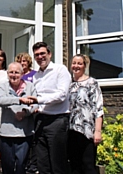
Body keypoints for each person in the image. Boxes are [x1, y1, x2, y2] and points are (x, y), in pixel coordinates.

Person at [28, 42, 71, 174]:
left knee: (58, 162)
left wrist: (39, 100)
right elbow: (34, 97)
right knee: (42, 162)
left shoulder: (60, 70)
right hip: (40, 120)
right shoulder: (35, 76)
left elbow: (62, 95)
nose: (40, 57)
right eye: (37, 55)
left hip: (57, 120)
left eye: (42, 53)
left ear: (49, 54)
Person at [0, 62, 38, 174]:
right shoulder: (3, 86)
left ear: (22, 73)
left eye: (16, 72)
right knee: (7, 166)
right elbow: (0, 101)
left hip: (24, 134)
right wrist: (19, 100)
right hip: (6, 133)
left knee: (21, 165)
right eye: (11, 72)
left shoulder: (30, 86)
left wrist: (25, 112)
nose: (14, 75)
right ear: (7, 73)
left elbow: (36, 104)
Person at [68, 54, 103, 174]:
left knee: (88, 165)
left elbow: (98, 108)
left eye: (79, 63)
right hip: (71, 130)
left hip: (87, 131)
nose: (76, 66)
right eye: (74, 63)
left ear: (84, 65)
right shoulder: (69, 84)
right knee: (74, 166)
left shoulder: (92, 82)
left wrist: (97, 131)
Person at [15, 52, 37, 174]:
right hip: (20, 108)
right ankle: (22, 162)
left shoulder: (34, 74)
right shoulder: (17, 75)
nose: (22, 63)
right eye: (20, 61)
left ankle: (32, 164)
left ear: (28, 62)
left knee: (32, 137)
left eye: (24, 61)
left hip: (32, 109)